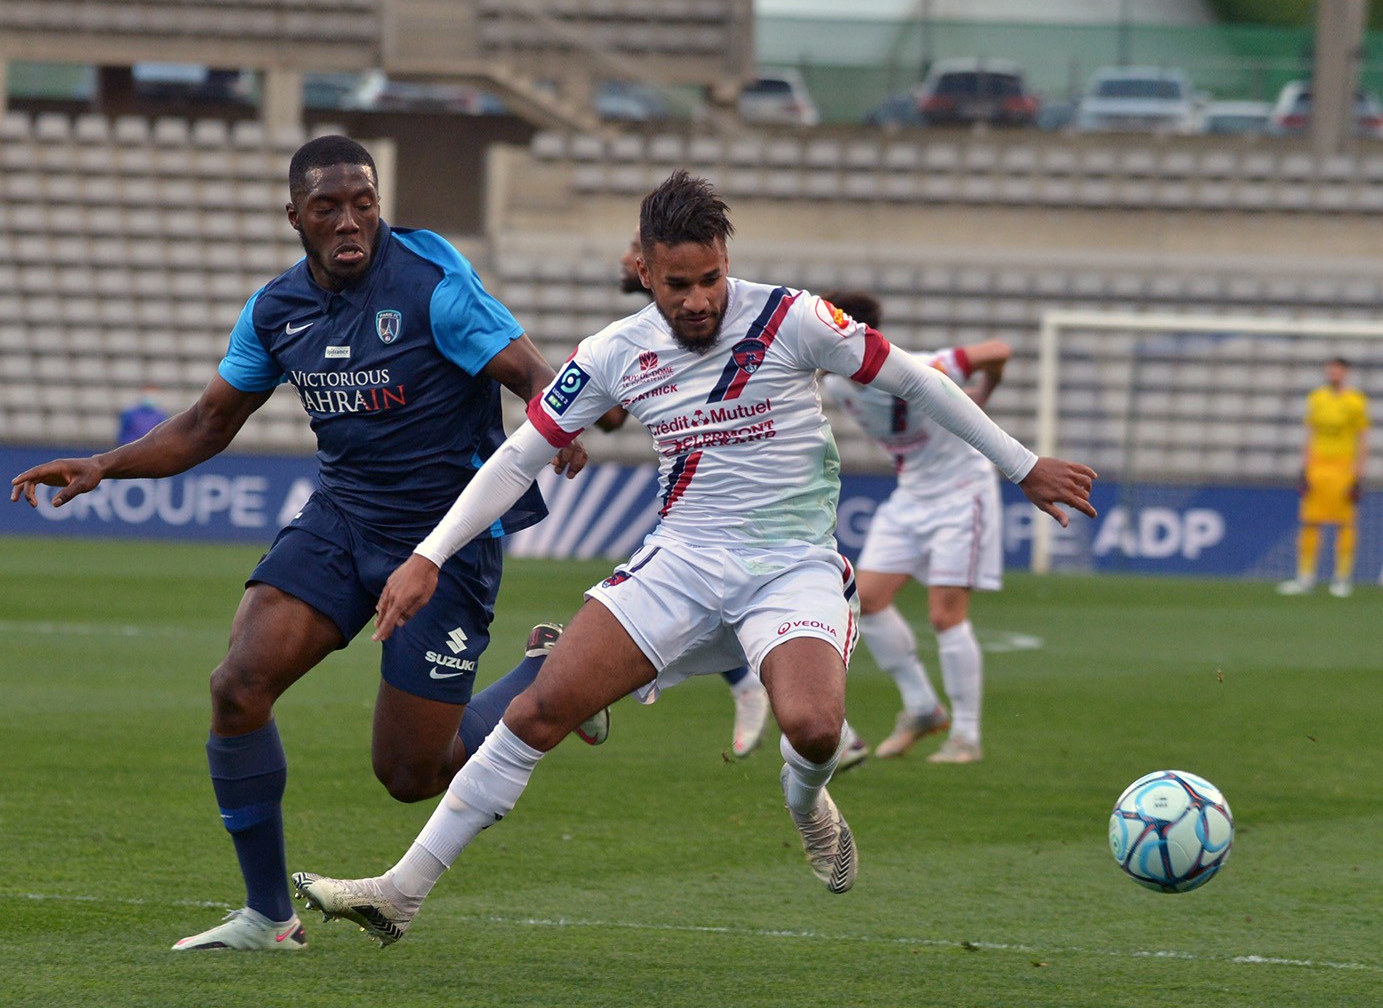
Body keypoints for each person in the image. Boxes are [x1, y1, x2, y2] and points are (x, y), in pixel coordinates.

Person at [290, 170, 1096, 947]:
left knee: (814, 730)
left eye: (711, 278)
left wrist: (1024, 465)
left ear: (726, 261)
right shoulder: (612, 351)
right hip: (680, 562)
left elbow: (918, 381)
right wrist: (429, 555)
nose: (699, 299)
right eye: (678, 284)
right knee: (537, 713)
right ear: (644, 270)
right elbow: (516, 458)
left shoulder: (794, 319)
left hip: (791, 568)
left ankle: (807, 799)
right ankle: (401, 893)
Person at [10, 135, 601, 952]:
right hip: (341, 519)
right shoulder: (276, 310)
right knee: (237, 685)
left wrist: (556, 418)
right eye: (329, 206)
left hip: (443, 538)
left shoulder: (433, 283)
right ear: (296, 216)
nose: (351, 219)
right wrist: (105, 465)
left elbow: (532, 371)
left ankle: (552, 675)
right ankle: (267, 917)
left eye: (364, 201)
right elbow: (209, 423)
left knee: (409, 776)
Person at [822, 290, 1008, 764]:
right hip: (911, 495)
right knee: (867, 599)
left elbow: (997, 351)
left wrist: (980, 397)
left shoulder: (919, 365)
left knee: (945, 615)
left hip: (962, 491)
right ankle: (923, 707)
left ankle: (966, 735)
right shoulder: (837, 387)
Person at [617, 227, 772, 758]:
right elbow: (612, 413)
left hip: (748, 508)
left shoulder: (746, 319)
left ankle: (571, 675)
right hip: (697, 505)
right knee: (704, 602)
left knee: (699, 600)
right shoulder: (634, 339)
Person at [1277, 357, 1368, 598]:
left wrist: (1359, 472)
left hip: (1343, 468)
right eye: (1330, 369)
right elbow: (1309, 434)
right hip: (1317, 467)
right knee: (1309, 521)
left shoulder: (1356, 401)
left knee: (1345, 524)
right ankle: (1305, 577)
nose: (1333, 373)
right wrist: (1304, 468)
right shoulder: (1316, 398)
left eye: (1337, 370)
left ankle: (1342, 578)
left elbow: (1363, 437)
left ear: (1346, 373)